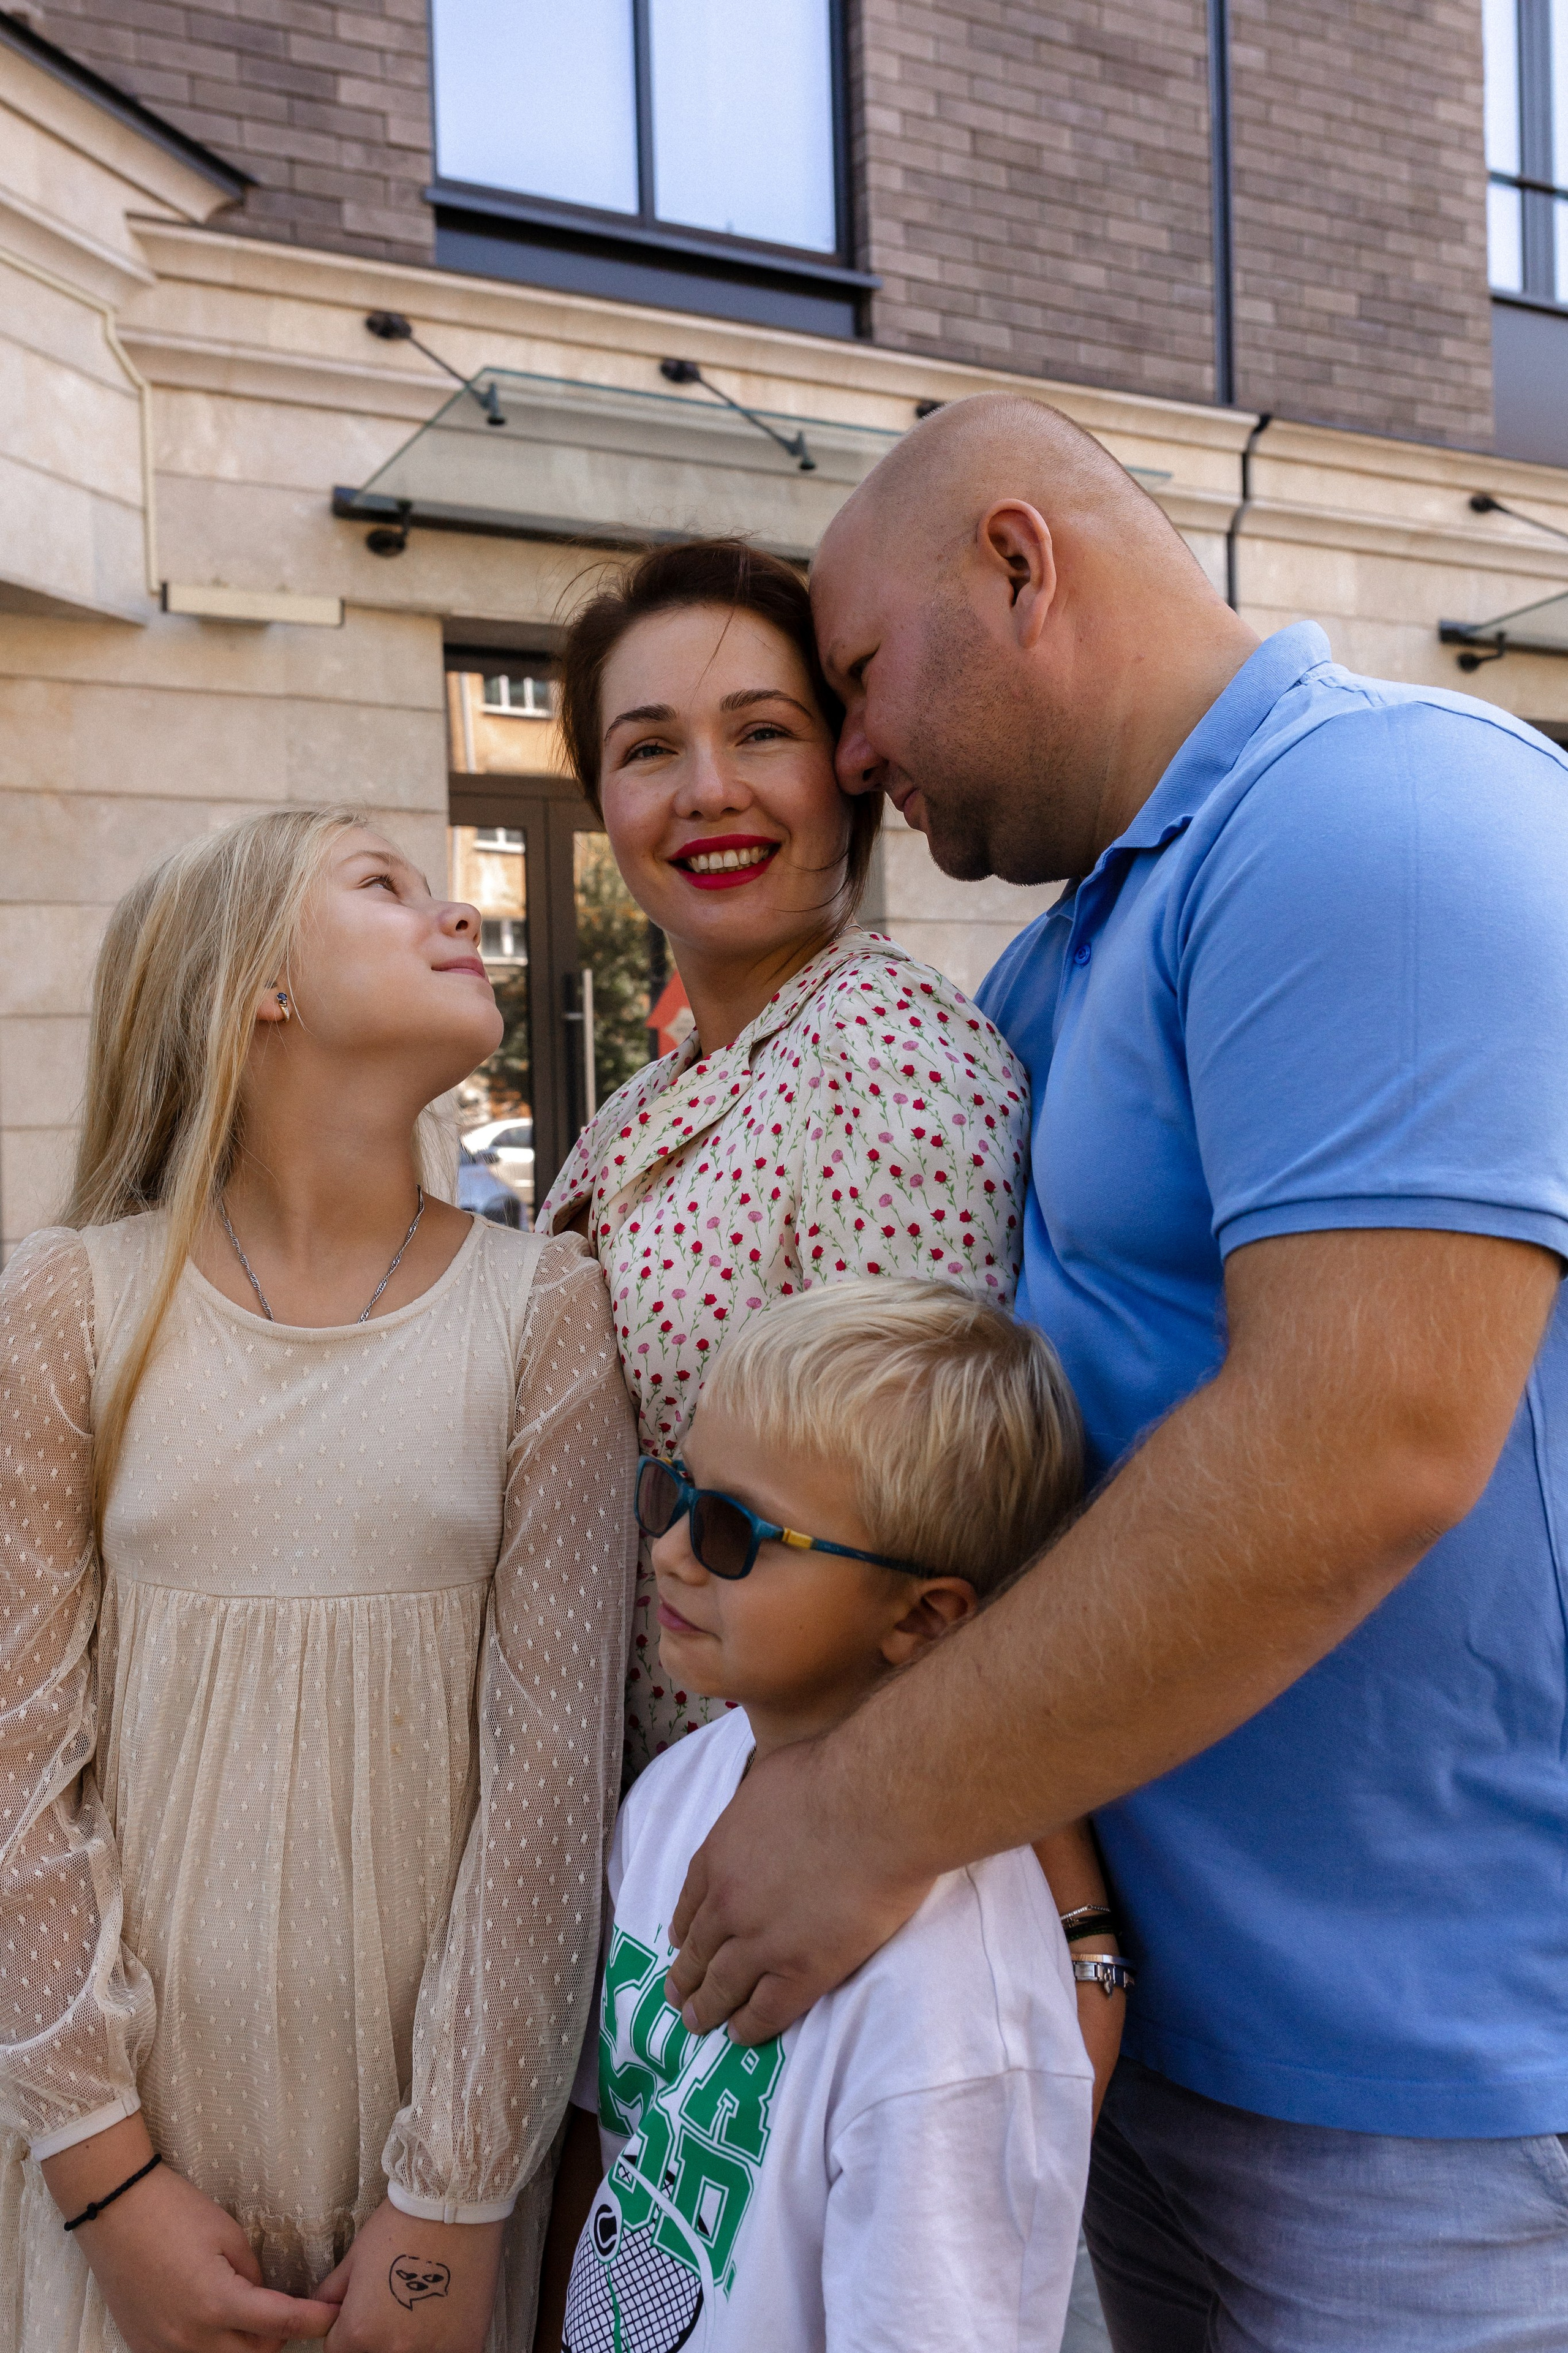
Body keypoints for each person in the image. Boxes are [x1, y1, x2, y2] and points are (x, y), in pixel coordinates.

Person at [657, 395, 1568, 2349]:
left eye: (860, 676)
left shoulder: (1378, 816)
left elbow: (1369, 1441)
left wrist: (864, 1812)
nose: (855, 747)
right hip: (1173, 2054)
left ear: (1020, 562)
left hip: (1432, 2103)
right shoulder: (1058, 960)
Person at [0, 810, 637, 2353]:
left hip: (418, 2196)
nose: (454, 916)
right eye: (380, 882)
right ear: (258, 986)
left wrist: (457, 2200)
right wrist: (105, 2178)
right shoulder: (73, 1304)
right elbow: (16, 1768)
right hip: (127, 2187)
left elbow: (550, 1788)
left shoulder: (543, 1312)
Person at [533, 1280, 1116, 2353]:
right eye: (674, 1493)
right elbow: (610, 2137)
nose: (667, 1549)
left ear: (923, 1615)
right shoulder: (678, 1790)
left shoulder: (956, 1995)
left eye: (732, 1530)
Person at [537, 537, 1033, 1779]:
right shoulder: (645, 1097)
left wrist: (832, 1840)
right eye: (648, 748)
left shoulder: (880, 1047)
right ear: (601, 804)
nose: (706, 790)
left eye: (760, 731)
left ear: (849, 769)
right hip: (656, 1833)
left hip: (798, 1847)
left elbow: (923, 1543)